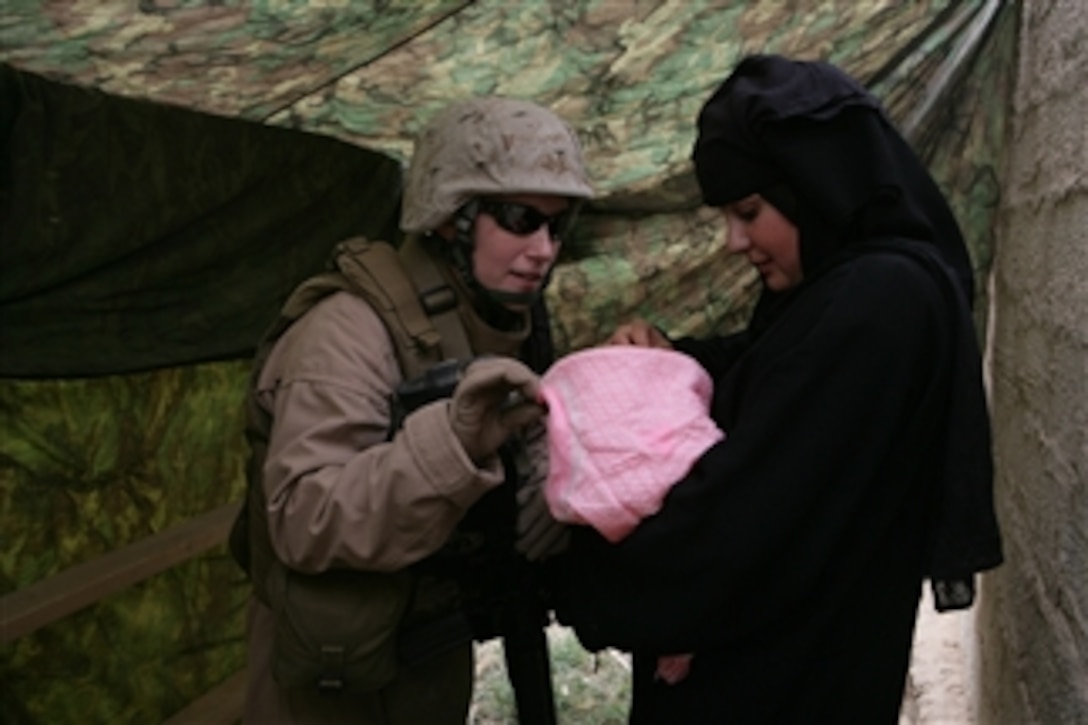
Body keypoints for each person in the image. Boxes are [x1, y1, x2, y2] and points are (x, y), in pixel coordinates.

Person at [552, 54, 1003, 723]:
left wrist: (581, 566)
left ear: (814, 185)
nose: (736, 241)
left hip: (784, 684)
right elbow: (768, 366)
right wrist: (667, 357)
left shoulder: (877, 306)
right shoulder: (849, 289)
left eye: (749, 209)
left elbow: (739, 527)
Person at [230, 96, 593, 723]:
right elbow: (303, 516)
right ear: (451, 218)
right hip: (330, 679)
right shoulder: (347, 332)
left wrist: (550, 472)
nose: (544, 249)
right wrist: (449, 449)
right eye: (519, 218)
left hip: (427, 647)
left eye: (558, 227)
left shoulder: (505, 316)